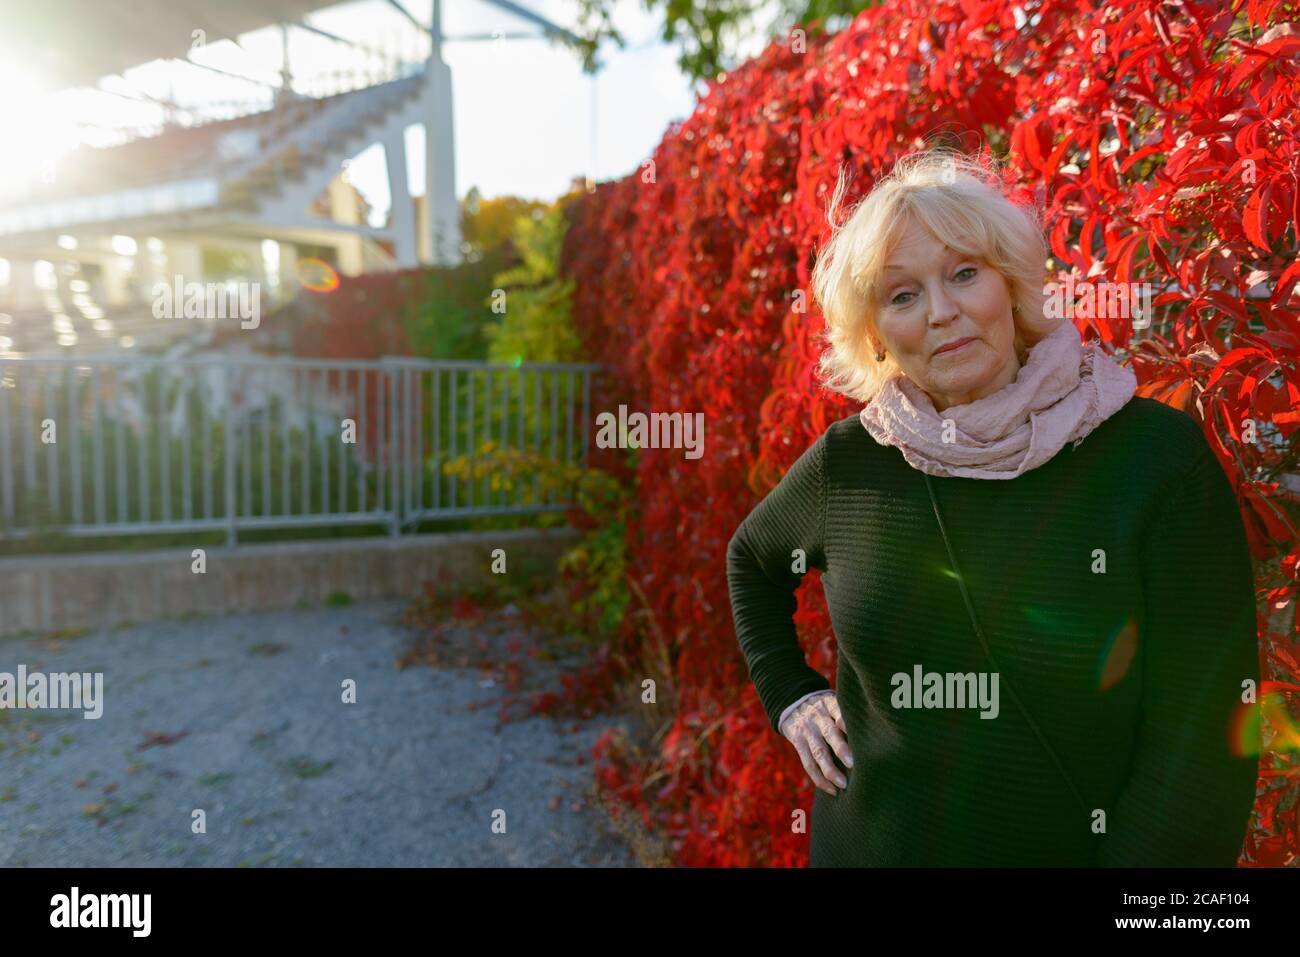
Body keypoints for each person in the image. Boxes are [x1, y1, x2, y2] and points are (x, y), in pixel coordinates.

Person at [725, 149, 1261, 867]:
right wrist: (790, 693)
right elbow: (751, 560)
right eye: (903, 295)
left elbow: (1205, 738)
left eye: (964, 274)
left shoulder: (1155, 461)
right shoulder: (850, 464)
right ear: (877, 334)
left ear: (1011, 285)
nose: (942, 312)